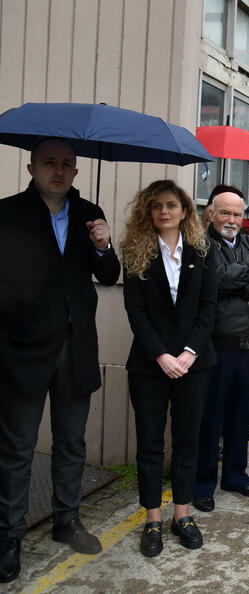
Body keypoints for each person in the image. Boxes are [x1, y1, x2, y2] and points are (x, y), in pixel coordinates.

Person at [0, 138, 120, 582]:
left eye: (67, 164)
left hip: (76, 350)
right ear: (32, 167)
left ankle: (66, 520)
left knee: (72, 442)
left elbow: (108, 275)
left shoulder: (90, 214)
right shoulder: (8, 213)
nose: (58, 170)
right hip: (23, 350)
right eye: (49, 162)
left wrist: (105, 245)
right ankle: (9, 536)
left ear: (75, 171)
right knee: (16, 449)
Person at [120, 180, 218, 557]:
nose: (164, 211)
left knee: (187, 441)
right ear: (149, 211)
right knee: (149, 444)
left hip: (195, 363)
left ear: (184, 211)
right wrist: (162, 356)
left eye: (171, 205)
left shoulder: (202, 251)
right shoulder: (136, 253)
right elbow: (136, 313)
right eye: (157, 205)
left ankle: (182, 514)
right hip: (149, 364)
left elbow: (208, 307)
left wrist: (189, 353)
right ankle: (153, 519)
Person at [192, 186, 249, 513]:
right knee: (210, 418)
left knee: (241, 415)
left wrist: (240, 283)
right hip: (216, 347)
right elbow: (211, 282)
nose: (231, 219)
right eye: (225, 212)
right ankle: (203, 484)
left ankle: (236, 475)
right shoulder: (201, 245)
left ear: (244, 218)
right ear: (212, 214)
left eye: (237, 213)